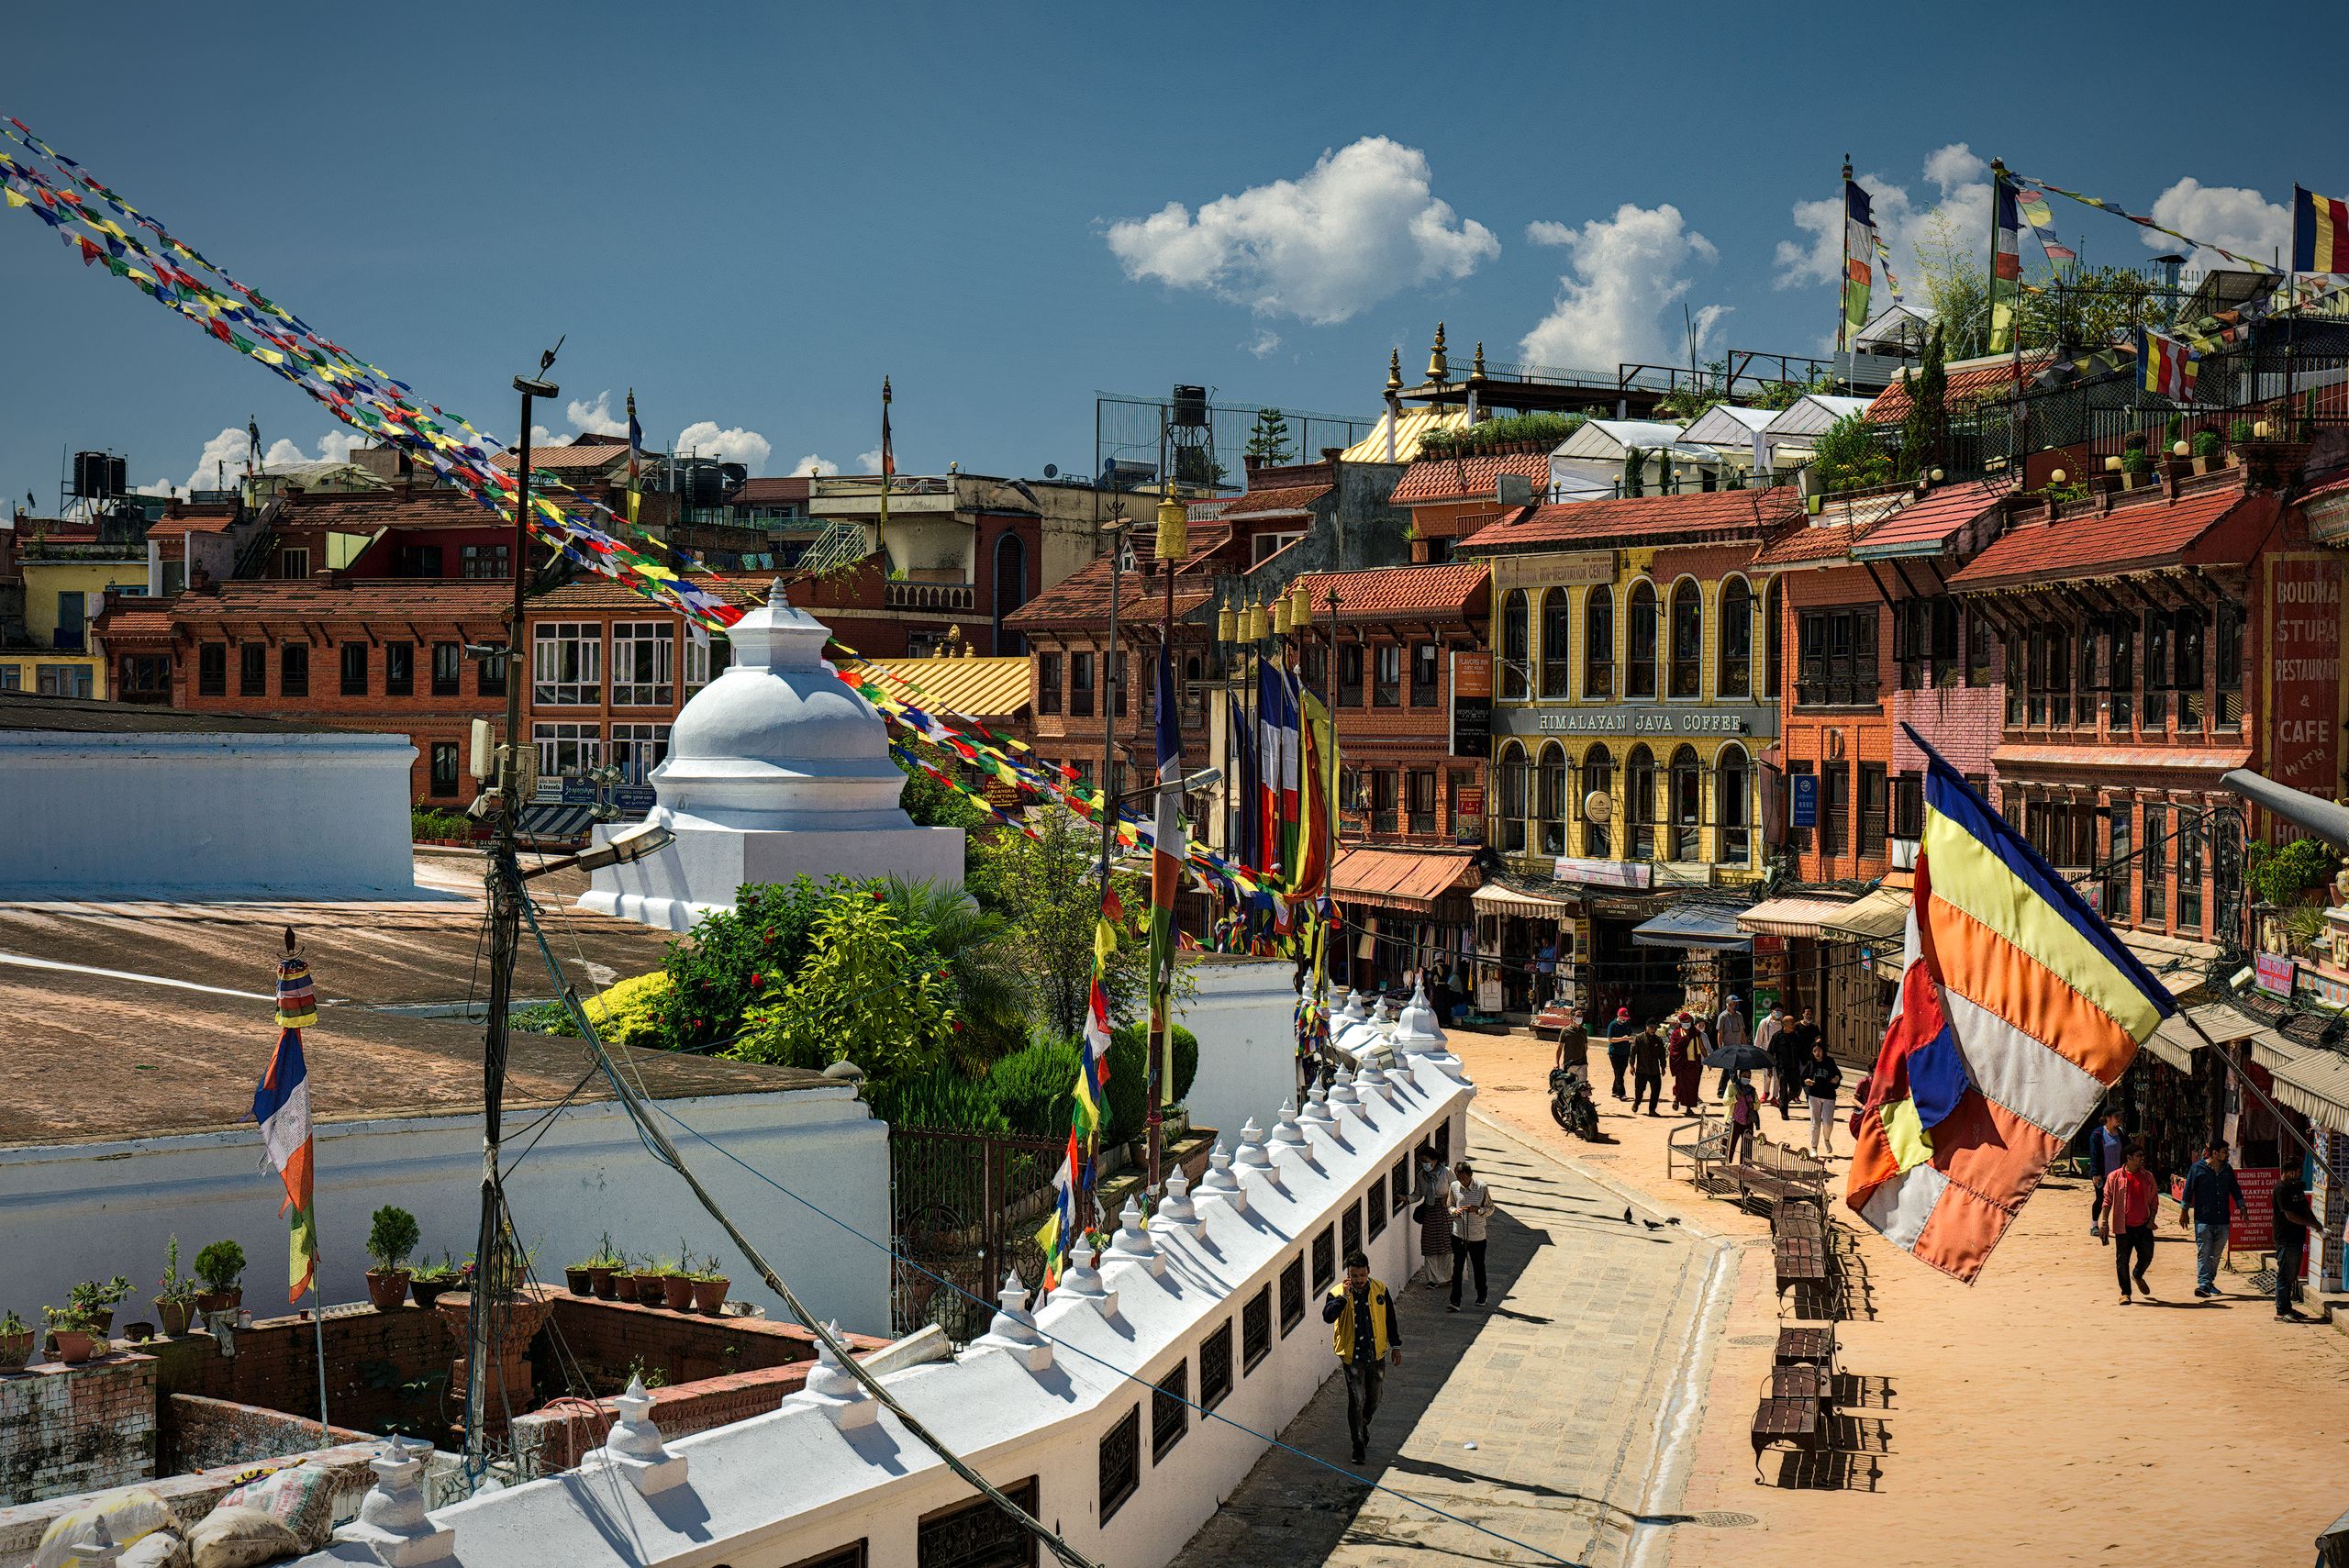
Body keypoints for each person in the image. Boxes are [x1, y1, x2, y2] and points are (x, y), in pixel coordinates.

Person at [1320, 1251, 1402, 1464]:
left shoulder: (1380, 1290)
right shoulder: (1337, 1293)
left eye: (1362, 1276)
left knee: (1374, 1398)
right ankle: (1357, 1444)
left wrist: (1396, 1345)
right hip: (1353, 1357)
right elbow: (1328, 1316)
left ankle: (1363, 1424)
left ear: (1368, 1272)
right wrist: (1344, 1298)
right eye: (1354, 1276)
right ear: (1348, 1274)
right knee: (1356, 1400)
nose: (1358, 1280)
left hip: (1376, 1354)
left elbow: (1390, 1319)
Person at [2175, 1140, 2246, 1298]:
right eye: (2224, 1152)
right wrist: (2184, 1211)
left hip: (2222, 1220)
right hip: (2203, 1219)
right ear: (2214, 1153)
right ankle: (2203, 1284)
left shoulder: (2227, 1170)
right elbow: (2188, 1190)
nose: (2227, 1154)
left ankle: (2208, 1282)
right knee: (2204, 1251)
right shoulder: (2197, 1168)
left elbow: (2235, 1189)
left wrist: (2242, 1207)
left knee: (2215, 1254)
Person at [2097, 1142, 2158, 1304]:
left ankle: (2137, 1274)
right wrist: (2104, 1223)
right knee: (2122, 1260)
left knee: (2147, 1255)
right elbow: (2107, 1201)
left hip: (2144, 1225)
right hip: (2122, 1226)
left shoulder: (2148, 1177)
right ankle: (2125, 1292)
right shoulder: (2114, 1177)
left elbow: (2154, 1202)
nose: (2142, 1159)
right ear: (2128, 1158)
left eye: (2142, 1156)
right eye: (2139, 1156)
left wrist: (2151, 1221)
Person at [2274, 1169, 2323, 1322]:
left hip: (2297, 1238)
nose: (2301, 1175)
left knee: (2292, 1274)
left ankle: (2288, 1307)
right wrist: (2310, 1224)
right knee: (2285, 1275)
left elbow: (2305, 1209)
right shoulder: (2281, 1189)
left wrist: (2318, 1226)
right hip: (2285, 1238)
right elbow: (2290, 1215)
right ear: (2291, 1172)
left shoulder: (2296, 1188)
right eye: (2299, 1172)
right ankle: (2281, 1311)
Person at [1448, 1161, 1492, 1312]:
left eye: (1464, 1178)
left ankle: (1481, 1296)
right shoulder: (1454, 1187)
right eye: (1459, 1178)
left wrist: (1478, 1210)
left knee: (1478, 1266)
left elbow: (1490, 1208)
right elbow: (1450, 1205)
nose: (1462, 1181)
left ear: (1470, 1175)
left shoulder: (1481, 1187)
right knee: (1457, 1267)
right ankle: (1455, 1301)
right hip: (1458, 1233)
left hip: (1477, 1235)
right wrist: (1455, 1211)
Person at [2085, 1106, 2127, 1246]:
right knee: (2101, 1199)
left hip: (2119, 1174)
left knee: (2120, 1200)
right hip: (2102, 1175)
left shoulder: (2121, 1133)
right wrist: (2095, 1173)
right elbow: (2094, 1154)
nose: (2119, 1119)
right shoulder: (2097, 1134)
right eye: (2117, 1116)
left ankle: (2119, 1226)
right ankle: (2094, 1225)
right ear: (2108, 1118)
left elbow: (2127, 1150)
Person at [1414, 1150, 1453, 1288]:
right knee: (1429, 1245)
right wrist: (1406, 1198)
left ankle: (1448, 1276)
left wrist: (1447, 1197)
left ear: (1435, 1161)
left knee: (1446, 1244)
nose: (1425, 1164)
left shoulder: (1446, 1172)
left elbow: (1457, 1189)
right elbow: (1417, 1195)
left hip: (1445, 1211)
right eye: (1422, 1161)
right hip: (1430, 1211)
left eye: (1427, 1161)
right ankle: (1433, 1279)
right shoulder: (1421, 1176)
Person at [1799, 1041, 1843, 1157]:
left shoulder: (1830, 1062)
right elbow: (1803, 1077)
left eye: (1819, 1050)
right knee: (1815, 1123)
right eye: (1815, 1051)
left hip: (1829, 1095)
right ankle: (1814, 1148)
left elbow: (1838, 1075)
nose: (1817, 1053)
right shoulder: (1810, 1064)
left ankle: (1827, 1140)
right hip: (1814, 1095)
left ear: (1823, 1051)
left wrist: (1836, 1078)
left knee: (1828, 1123)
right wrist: (1806, 1081)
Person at [1668, 1010, 1705, 1113]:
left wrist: (1707, 1059)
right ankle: (1677, 1099)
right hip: (1682, 1063)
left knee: (1692, 1086)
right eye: (1684, 1021)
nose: (1687, 1023)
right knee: (1680, 1084)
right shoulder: (1676, 1033)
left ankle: (1689, 1107)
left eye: (1688, 1021)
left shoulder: (1696, 1032)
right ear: (1681, 1022)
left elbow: (1701, 1046)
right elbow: (1673, 1049)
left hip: (1693, 1063)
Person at [1631, 1019, 1667, 1115]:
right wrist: (1631, 1065)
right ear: (1646, 1027)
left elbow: (1662, 1055)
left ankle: (1652, 1110)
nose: (1653, 1030)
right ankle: (1637, 1102)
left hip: (1655, 1071)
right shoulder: (1639, 1038)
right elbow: (1633, 1053)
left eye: (1655, 1028)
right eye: (1651, 1028)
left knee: (1656, 1091)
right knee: (1639, 1090)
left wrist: (1663, 1067)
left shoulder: (1658, 1040)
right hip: (1642, 1070)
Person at [1753, 1005, 1787, 1103]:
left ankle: (1774, 1096)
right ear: (1771, 1011)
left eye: (1780, 1011)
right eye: (1777, 1010)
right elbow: (1758, 1039)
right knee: (1767, 1075)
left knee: (1777, 1076)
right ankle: (1766, 1092)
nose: (1778, 1013)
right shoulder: (1764, 1023)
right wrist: (1757, 1052)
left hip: (1779, 1054)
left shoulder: (1783, 1024)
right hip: (1767, 1053)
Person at [1725, 1078, 1758, 1164]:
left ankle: (1745, 1164)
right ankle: (1727, 1162)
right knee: (1730, 1143)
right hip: (1734, 1120)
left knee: (1747, 1144)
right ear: (1740, 1076)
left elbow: (1758, 1104)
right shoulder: (1732, 1088)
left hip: (1748, 1121)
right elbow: (1725, 1101)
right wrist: (1736, 1097)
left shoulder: (1752, 1090)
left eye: (1748, 1076)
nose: (1746, 1078)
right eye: (1744, 1075)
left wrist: (1753, 1105)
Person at [1553, 1007, 1589, 1083]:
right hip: (1569, 1064)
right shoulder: (1565, 1031)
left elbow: (1585, 1047)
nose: (1580, 1018)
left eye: (1581, 1016)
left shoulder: (1584, 1031)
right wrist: (1557, 1062)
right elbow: (1560, 1048)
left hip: (1582, 1064)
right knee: (1570, 1087)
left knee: (1582, 1086)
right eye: (1578, 1016)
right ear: (1572, 1017)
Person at [1606, 1006, 1633, 1100]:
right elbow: (1610, 1039)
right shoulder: (1612, 1025)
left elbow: (1629, 1034)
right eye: (1623, 1018)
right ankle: (1621, 1094)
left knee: (1620, 1072)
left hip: (1625, 1052)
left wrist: (1629, 1039)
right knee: (1618, 1073)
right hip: (1615, 1053)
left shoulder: (1627, 1025)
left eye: (1626, 1019)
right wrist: (1623, 1038)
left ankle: (1615, 1090)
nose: (1624, 1020)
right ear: (1619, 1016)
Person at [1532, 940, 1557, 1007]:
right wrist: (1538, 966)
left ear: (1549, 942)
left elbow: (1555, 960)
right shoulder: (1543, 949)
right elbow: (1540, 959)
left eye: (1546, 942)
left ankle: (1551, 1007)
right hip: (1542, 973)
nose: (1544, 944)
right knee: (1542, 991)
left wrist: (1546, 959)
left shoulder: (1554, 949)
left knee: (1549, 991)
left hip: (1549, 973)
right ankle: (1544, 1007)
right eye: (1543, 943)